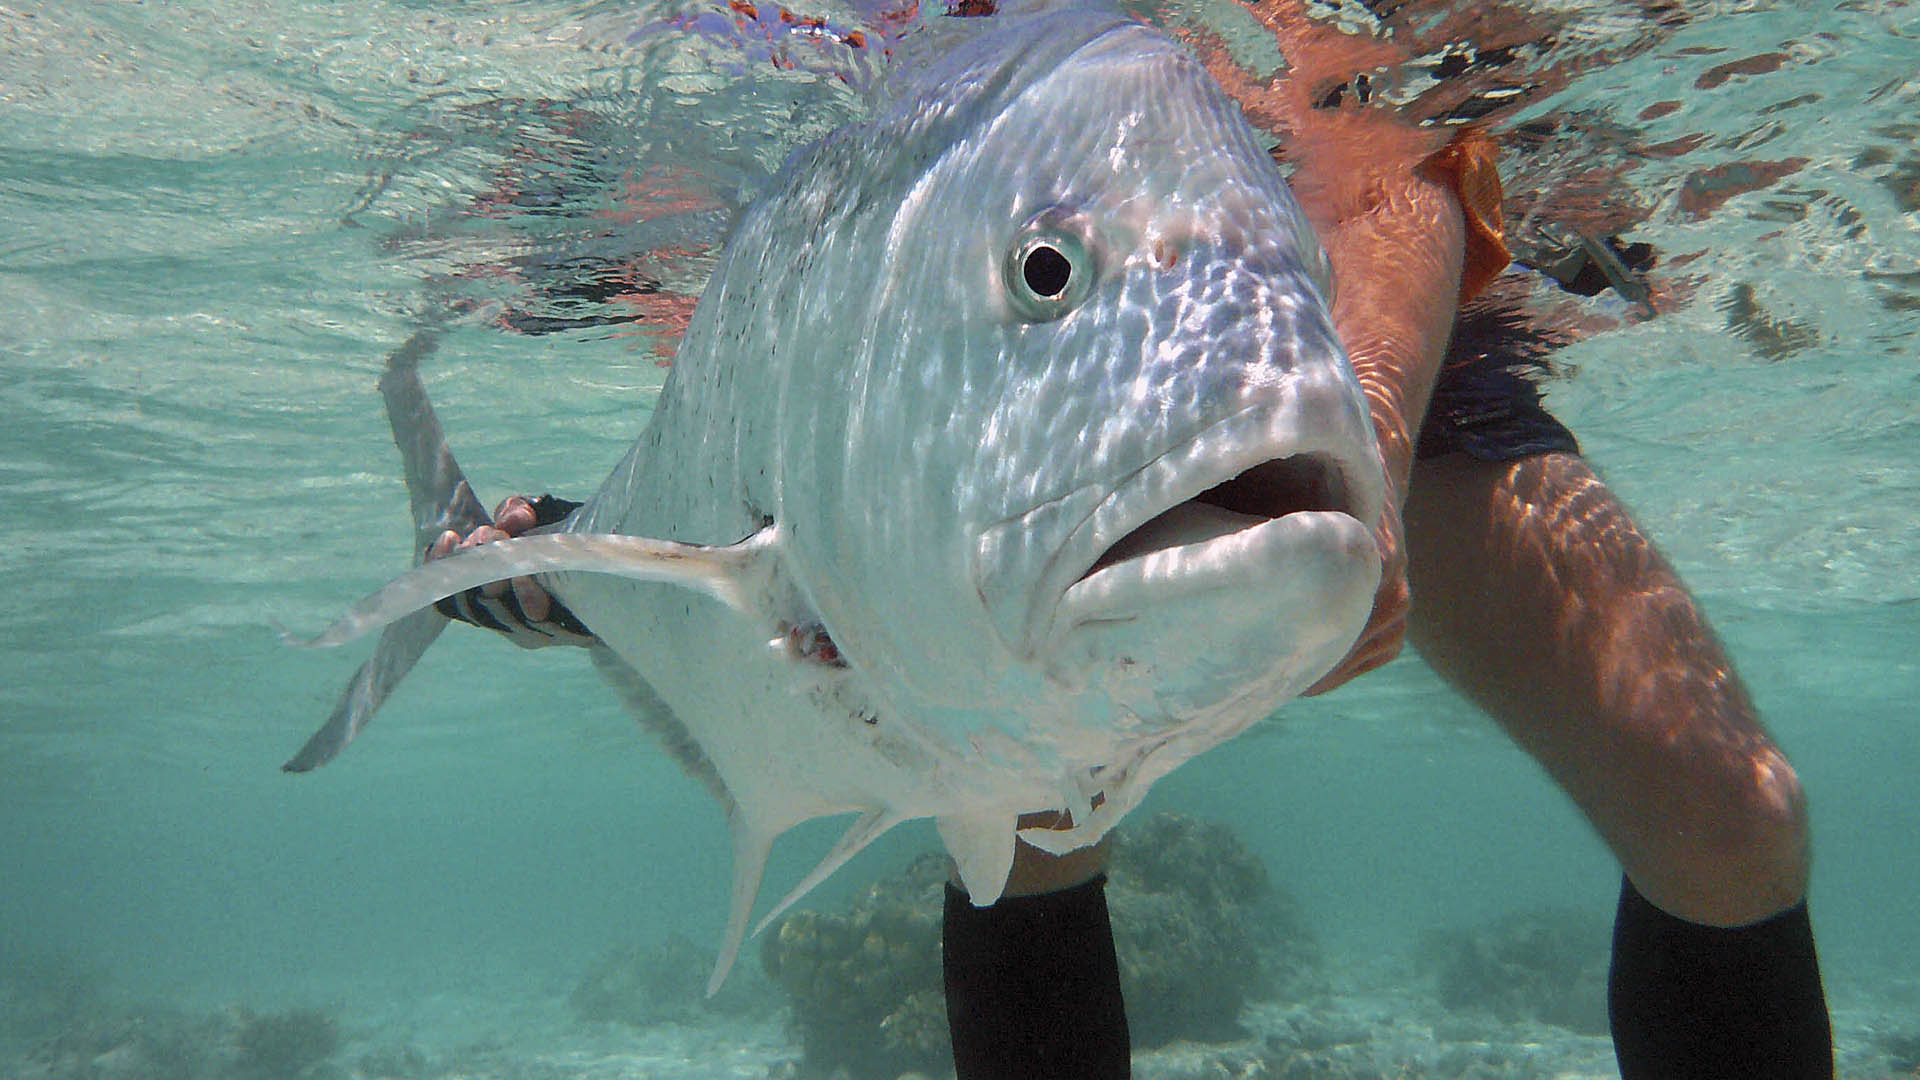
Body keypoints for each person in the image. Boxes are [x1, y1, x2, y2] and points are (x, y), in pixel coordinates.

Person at [427, 20, 1833, 1079]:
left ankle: (559, 571)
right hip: (992, 418)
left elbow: (1402, 157)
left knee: (1731, 820)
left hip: (1366, 383)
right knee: (1025, 807)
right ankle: (555, 568)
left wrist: (1370, 454)